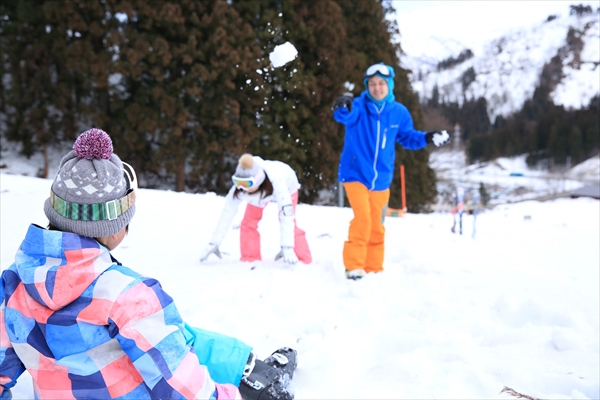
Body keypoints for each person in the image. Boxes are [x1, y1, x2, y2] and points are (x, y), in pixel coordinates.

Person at [0, 129, 297, 400]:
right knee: (173, 333)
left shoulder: (13, 285)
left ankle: (244, 365)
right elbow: (185, 390)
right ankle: (253, 377)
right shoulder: (129, 296)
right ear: (114, 227)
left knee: (163, 331)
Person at [332, 62, 450, 280]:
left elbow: (408, 138)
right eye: (373, 84)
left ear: (390, 85)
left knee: (377, 225)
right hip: (355, 173)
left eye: (381, 83)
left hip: (382, 179)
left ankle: (374, 268)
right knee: (363, 219)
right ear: (367, 86)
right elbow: (344, 116)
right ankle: (354, 266)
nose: (377, 88)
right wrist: (343, 106)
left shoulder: (399, 113)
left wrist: (427, 137)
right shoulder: (358, 107)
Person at [199, 154, 312, 265]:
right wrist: (214, 242)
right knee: (248, 222)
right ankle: (250, 258)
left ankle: (302, 259)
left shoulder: (277, 181)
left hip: (287, 187)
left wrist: (287, 247)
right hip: (260, 194)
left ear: (258, 179)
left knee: (289, 222)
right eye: (238, 182)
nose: (243, 187)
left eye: (247, 183)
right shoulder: (242, 189)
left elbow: (287, 216)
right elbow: (227, 213)